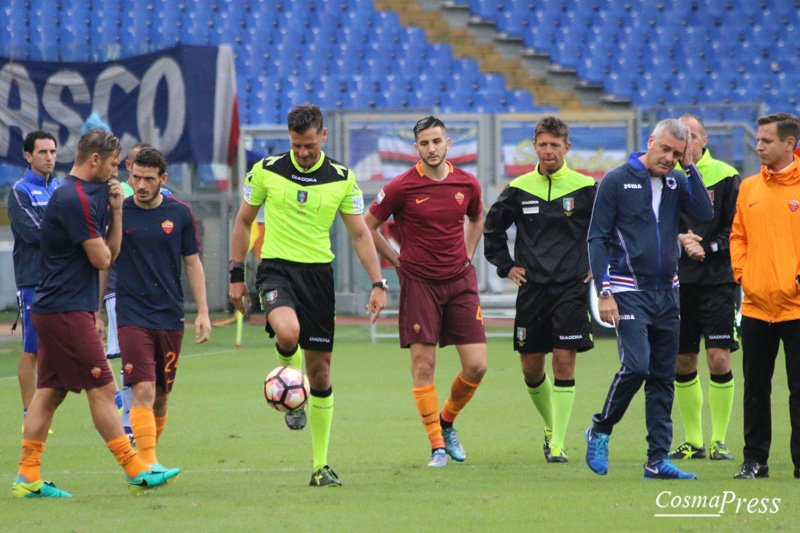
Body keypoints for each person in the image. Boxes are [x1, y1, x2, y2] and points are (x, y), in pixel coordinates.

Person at [11, 129, 179, 498]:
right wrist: (111, 219)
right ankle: (135, 468)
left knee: (50, 392)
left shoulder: (90, 194)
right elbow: (103, 258)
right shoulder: (73, 198)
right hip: (66, 310)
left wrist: (117, 211)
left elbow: (110, 253)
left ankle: (27, 476)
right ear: (95, 161)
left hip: (61, 307)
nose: (119, 173)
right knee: (103, 388)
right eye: (116, 165)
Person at [229, 104, 386, 487]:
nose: (302, 152)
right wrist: (236, 276)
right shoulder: (265, 170)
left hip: (318, 277)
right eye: (297, 145)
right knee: (287, 332)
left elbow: (360, 233)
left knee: (321, 372)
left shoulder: (342, 178)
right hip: (276, 269)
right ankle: (286, 370)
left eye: (310, 145)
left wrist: (378, 283)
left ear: (323, 137)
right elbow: (244, 220)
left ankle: (320, 466)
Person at [585, 118, 713, 480]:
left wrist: (690, 166)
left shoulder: (677, 179)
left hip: (668, 291)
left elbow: (704, 215)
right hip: (627, 290)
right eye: (665, 150)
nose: (669, 158)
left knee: (662, 375)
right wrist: (604, 292)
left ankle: (656, 460)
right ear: (650, 141)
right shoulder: (615, 180)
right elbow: (596, 238)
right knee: (637, 367)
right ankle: (601, 428)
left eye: (677, 152)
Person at [365, 116, 488, 468]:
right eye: (424, 143)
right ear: (416, 147)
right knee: (424, 365)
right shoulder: (402, 186)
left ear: (448, 143)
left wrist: (467, 252)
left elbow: (477, 217)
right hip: (420, 283)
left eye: (437, 141)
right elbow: (368, 224)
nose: (431, 149)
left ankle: (447, 421)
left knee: (477, 366)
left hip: (460, 282)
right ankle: (436, 445)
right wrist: (397, 262)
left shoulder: (467, 182)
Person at [483, 116, 596, 463]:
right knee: (531, 369)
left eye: (555, 145)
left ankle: (558, 443)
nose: (548, 151)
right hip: (532, 291)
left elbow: (608, 229)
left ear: (567, 147)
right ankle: (552, 426)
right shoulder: (519, 188)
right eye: (542, 145)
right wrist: (506, 266)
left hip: (571, 289)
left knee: (564, 363)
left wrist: (598, 263)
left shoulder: (586, 187)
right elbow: (493, 230)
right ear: (534, 147)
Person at [115, 147, 211, 469]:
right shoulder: (118, 212)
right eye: (135, 177)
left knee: (160, 395)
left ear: (162, 179)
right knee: (141, 387)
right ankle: (149, 464)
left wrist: (203, 312)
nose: (140, 185)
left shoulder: (180, 213)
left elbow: (193, 264)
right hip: (131, 314)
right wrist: (96, 309)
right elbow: (104, 263)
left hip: (169, 316)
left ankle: (147, 457)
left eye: (148, 179)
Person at [730, 112, 800, 480]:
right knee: (755, 390)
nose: (758, 146)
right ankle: (755, 460)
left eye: (766, 141)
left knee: (798, 389)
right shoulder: (748, 187)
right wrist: (744, 275)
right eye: (757, 139)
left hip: (797, 307)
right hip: (756, 305)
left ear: (790, 143)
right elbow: (738, 236)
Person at [668, 114, 741, 462]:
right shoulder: (666, 178)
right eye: (681, 136)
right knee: (683, 361)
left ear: (703, 139)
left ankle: (720, 440)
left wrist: (708, 248)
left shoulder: (726, 176)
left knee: (718, 357)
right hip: (677, 283)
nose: (687, 142)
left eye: (692, 135)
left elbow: (736, 229)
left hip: (718, 282)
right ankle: (694, 440)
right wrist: (679, 240)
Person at [8, 131, 59, 429]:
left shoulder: (62, 188)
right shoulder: (20, 191)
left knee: (78, 340)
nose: (49, 157)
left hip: (63, 279)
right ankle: (30, 413)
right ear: (28, 156)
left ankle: (116, 401)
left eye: (52, 151)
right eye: (42, 152)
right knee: (33, 347)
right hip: (33, 279)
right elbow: (34, 233)